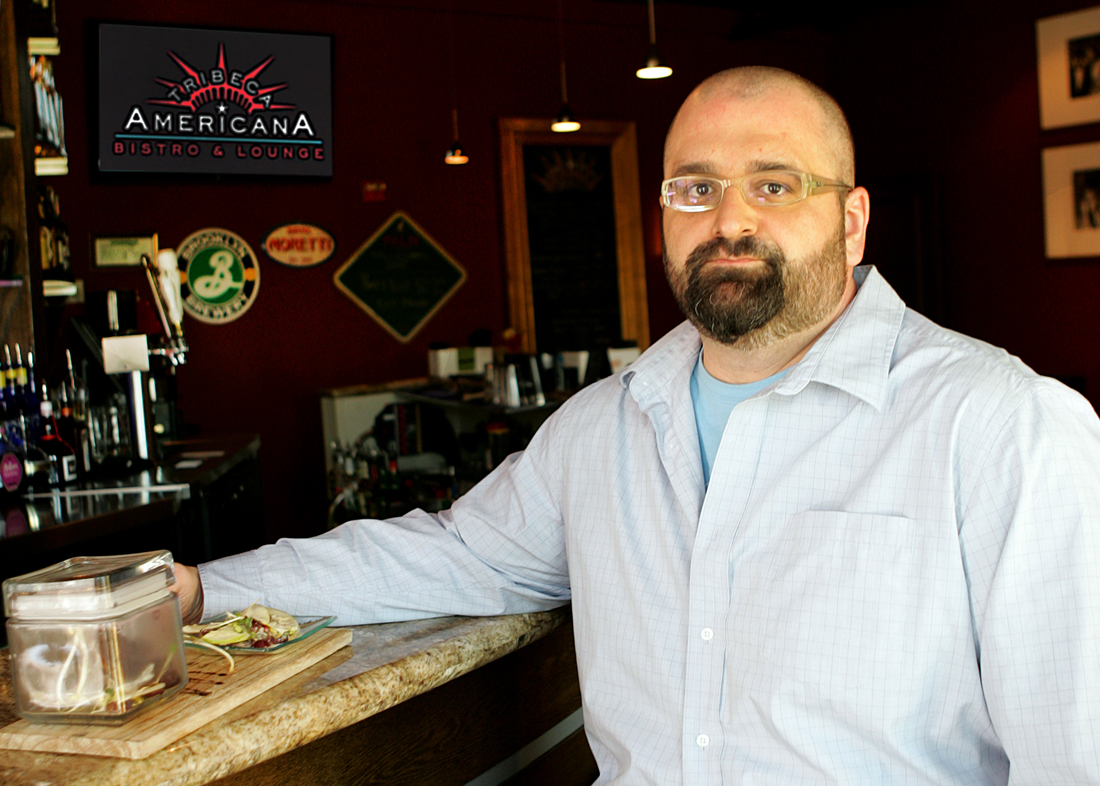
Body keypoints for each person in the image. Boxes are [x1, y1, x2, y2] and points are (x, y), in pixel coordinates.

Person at [173, 66, 1100, 784]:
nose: (728, 219)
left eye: (774, 185)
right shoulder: (604, 429)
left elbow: (1074, 757)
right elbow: (447, 557)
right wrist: (196, 593)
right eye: (694, 189)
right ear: (660, 216)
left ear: (853, 222)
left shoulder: (1003, 427)